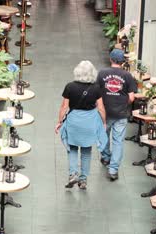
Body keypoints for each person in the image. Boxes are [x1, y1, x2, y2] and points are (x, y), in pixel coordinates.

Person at [55, 60, 108, 190]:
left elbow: (64, 107)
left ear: (77, 72)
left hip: (74, 122)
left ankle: (73, 174)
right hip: (89, 122)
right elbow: (100, 108)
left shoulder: (70, 86)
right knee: (86, 151)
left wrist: (59, 122)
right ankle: (83, 180)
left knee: (72, 149)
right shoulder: (96, 88)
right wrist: (104, 122)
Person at [97, 49, 137, 181]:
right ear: (122, 61)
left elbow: (97, 93)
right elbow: (131, 97)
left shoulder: (102, 74)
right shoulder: (127, 76)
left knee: (103, 136)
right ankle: (113, 170)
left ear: (111, 59)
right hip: (121, 113)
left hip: (105, 112)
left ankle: (106, 157)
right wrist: (122, 103)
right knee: (118, 141)